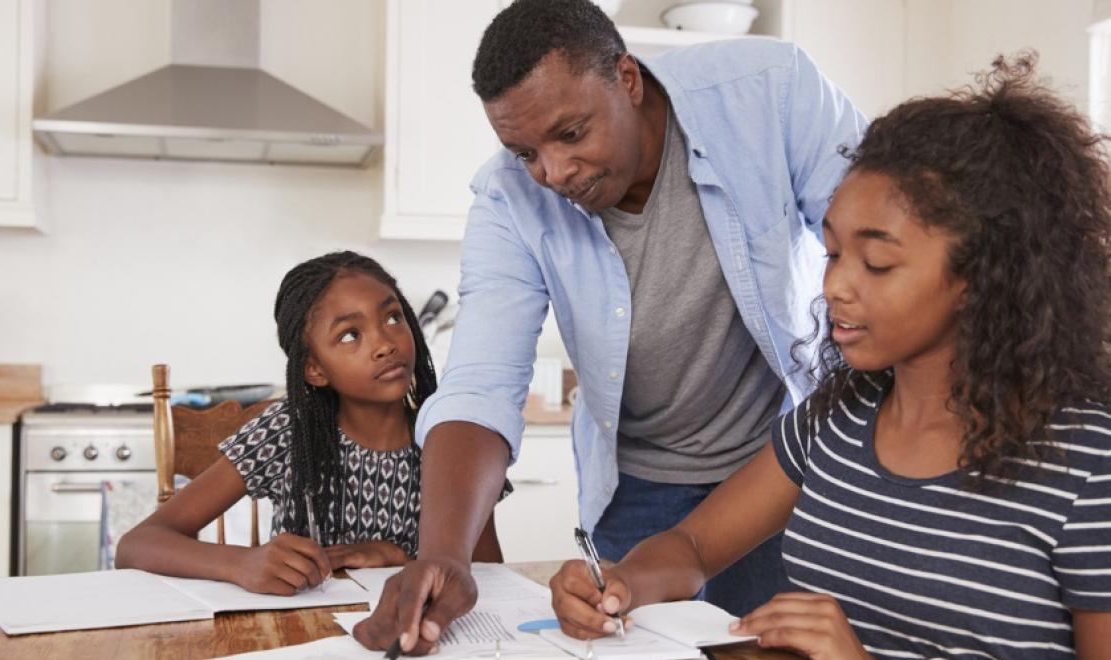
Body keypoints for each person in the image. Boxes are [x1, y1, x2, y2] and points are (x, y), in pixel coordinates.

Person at [547, 54, 1111, 658]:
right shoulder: (835, 420)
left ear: (984, 274)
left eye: (877, 263)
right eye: (834, 252)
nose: (836, 287)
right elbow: (693, 547)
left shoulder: (1086, 465)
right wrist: (626, 582)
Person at [355, 0, 866, 652]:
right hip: (638, 488)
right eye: (525, 151)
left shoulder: (770, 92)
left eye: (570, 135)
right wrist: (446, 552)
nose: (553, 173)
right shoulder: (509, 197)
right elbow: (481, 382)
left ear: (627, 78)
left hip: (778, 469)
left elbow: (882, 237)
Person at [116, 251, 504, 595]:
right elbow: (137, 544)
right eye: (351, 335)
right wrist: (241, 563)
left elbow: (489, 577)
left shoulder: (453, 437)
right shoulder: (286, 433)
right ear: (314, 368)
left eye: (393, 317)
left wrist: (400, 559)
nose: (386, 343)